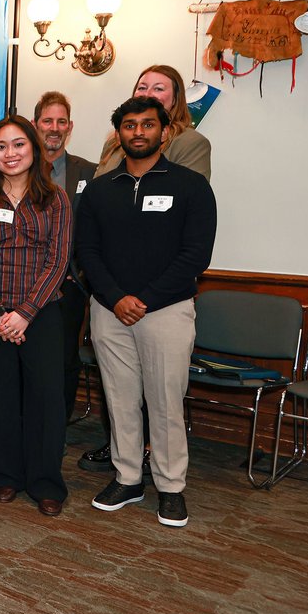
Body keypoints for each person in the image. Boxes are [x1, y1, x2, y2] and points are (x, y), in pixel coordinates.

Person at [76, 96, 216, 527]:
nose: (138, 132)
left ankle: (171, 486)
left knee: (165, 401)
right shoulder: (101, 189)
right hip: (109, 311)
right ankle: (128, 477)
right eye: (130, 126)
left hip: (167, 311)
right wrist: (116, 297)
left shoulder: (191, 186)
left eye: (147, 125)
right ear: (119, 134)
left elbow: (196, 255)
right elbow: (88, 251)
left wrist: (146, 299)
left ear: (164, 131)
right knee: (119, 400)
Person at [0, 116, 71, 517]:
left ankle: (45, 482)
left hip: (41, 314)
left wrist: (24, 314)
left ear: (34, 147)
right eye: (1, 147)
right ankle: (5, 476)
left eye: (19, 144)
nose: (11, 154)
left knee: (45, 399)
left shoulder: (55, 198)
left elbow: (58, 260)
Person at [32, 92, 96, 427]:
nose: (53, 128)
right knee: (28, 357)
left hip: (68, 286)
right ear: (35, 125)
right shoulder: (17, 168)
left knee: (65, 359)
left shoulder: (90, 172)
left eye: (61, 122)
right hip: (23, 286)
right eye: (47, 121)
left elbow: (97, 230)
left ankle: (58, 424)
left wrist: (81, 273)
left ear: (69, 127)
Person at [95, 64, 212, 180]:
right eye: (142, 88)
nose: (148, 94)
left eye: (158, 89)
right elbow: (97, 188)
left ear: (175, 99)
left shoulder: (190, 142)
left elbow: (191, 192)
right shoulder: (113, 143)